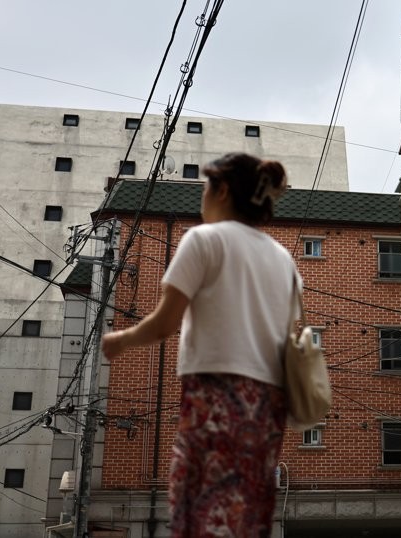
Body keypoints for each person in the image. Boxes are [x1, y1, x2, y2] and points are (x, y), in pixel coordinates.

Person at [102, 152, 297, 537]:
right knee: (245, 517)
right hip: (266, 407)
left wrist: (120, 339)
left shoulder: (204, 240)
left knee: (201, 513)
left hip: (215, 397)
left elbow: (164, 323)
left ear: (222, 190)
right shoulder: (282, 257)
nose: (202, 197)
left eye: (206, 188)